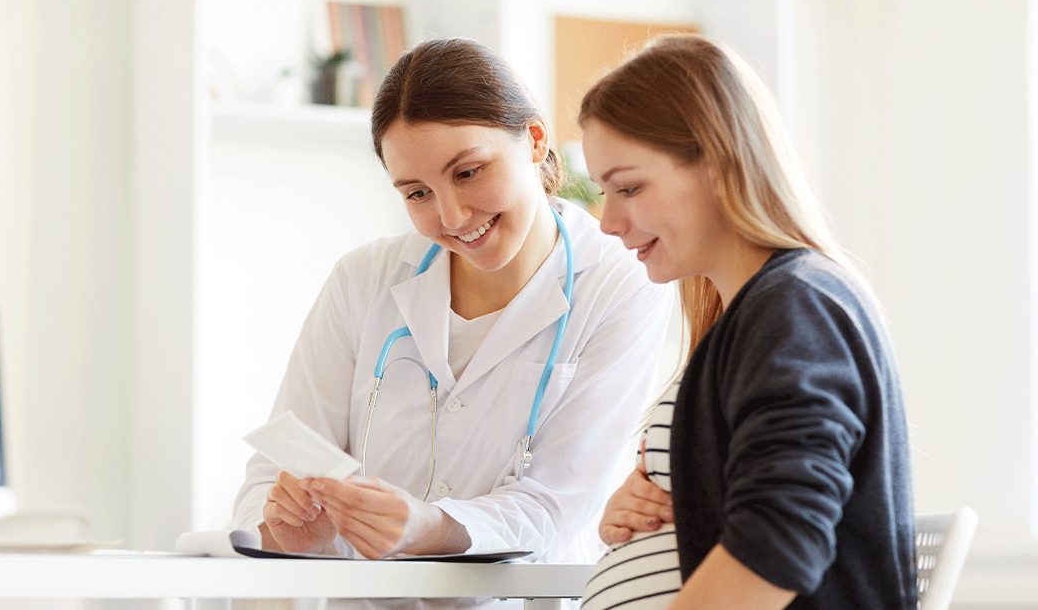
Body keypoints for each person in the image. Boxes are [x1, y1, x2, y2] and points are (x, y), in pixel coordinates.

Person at [232, 37, 672, 579]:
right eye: (416, 193)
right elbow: (270, 480)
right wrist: (293, 531)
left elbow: (559, 507)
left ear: (535, 139)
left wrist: (427, 527)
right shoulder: (363, 280)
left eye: (468, 172)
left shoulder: (618, 283)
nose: (453, 215)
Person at [577, 34, 917, 609]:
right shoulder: (755, 315)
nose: (607, 222)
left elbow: (781, 534)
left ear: (719, 159)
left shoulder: (794, 306)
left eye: (628, 187)